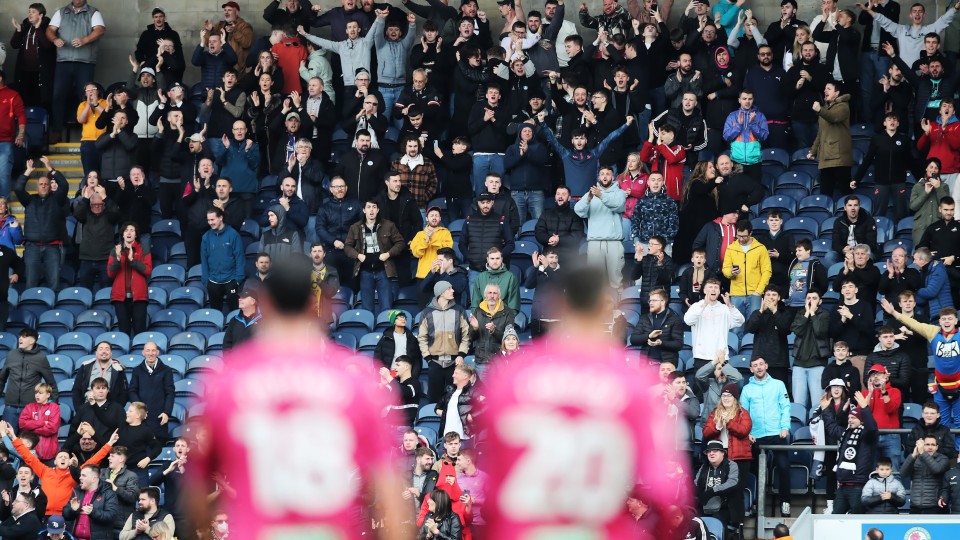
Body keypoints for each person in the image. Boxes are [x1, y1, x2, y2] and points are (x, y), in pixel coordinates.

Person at [186, 257, 407, 538]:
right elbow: (390, 492)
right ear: (319, 306)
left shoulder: (228, 381)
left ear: (264, 303)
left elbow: (195, 490)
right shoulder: (357, 382)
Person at [476, 262, 689, 538]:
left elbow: (492, 483)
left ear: (559, 305)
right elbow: (665, 494)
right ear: (606, 306)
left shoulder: (511, 376)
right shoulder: (633, 383)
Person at [881, 298, 960, 447]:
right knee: (941, 421)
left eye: (950, 318)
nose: (947, 321)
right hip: (940, 385)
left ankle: (959, 452)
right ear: (940, 322)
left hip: (959, 384)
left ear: (956, 320)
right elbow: (914, 324)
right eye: (943, 319)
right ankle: (941, 451)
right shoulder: (933, 331)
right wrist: (894, 313)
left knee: (959, 420)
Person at [8, 422, 116, 518]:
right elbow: (28, 456)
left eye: (66, 457)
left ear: (70, 461)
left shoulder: (75, 474)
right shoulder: (45, 470)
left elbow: (94, 460)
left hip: (66, 516)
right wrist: (13, 437)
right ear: (55, 461)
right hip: (44, 515)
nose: (63, 458)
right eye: (60, 457)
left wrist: (109, 443)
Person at [45, 0, 106, 145]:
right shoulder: (61, 12)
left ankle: (86, 132)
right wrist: (54, 39)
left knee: (85, 98)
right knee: (58, 96)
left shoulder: (93, 12)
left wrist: (85, 40)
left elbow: (100, 30)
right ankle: (57, 132)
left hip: (85, 62)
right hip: (63, 61)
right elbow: (49, 30)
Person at [740, 356, 793, 516]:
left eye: (761, 364)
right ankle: (755, 503)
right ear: (751, 369)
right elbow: (743, 413)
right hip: (756, 436)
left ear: (767, 365)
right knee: (754, 471)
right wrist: (747, 432)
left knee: (784, 468)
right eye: (755, 365)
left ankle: (785, 502)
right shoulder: (747, 389)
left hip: (777, 433)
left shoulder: (778, 385)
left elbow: (785, 407)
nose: (759, 367)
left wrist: (785, 427)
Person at [14, 158, 69, 290]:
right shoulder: (29, 200)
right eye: (41, 184)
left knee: (54, 284)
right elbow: (18, 188)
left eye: (46, 184)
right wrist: (27, 172)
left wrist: (51, 168)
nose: (44, 186)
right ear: (36, 187)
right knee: (31, 283)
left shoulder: (56, 200)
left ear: (50, 187)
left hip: (52, 248)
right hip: (32, 248)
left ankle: (53, 310)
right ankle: (30, 308)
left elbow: (64, 185)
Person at [820, 391, 877, 514]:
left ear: (861, 420)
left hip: (858, 486)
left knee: (857, 519)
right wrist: (825, 409)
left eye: (853, 418)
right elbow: (831, 427)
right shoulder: (846, 433)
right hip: (842, 486)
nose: (850, 420)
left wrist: (865, 408)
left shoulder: (867, 435)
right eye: (849, 418)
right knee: (836, 519)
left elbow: (872, 427)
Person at [574, 165, 628, 289]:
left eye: (608, 174)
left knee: (616, 279)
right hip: (594, 241)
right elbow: (578, 210)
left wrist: (601, 196)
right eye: (602, 174)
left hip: (614, 241)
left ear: (613, 177)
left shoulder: (619, 193)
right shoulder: (591, 193)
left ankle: (617, 306)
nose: (605, 176)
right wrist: (588, 199)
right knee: (595, 279)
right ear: (599, 177)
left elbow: (618, 205)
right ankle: (596, 308)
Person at [852, 112, 911, 221]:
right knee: (879, 212)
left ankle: (900, 237)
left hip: (899, 182)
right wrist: (856, 178)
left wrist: (922, 177)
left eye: (894, 120)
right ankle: (878, 234)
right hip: (881, 181)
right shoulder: (877, 139)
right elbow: (867, 160)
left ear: (898, 123)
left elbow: (911, 161)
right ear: (884, 123)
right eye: (889, 120)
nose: (892, 122)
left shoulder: (904, 140)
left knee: (901, 213)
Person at [419, 281, 471, 403]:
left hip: (454, 363)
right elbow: (422, 338)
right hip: (434, 362)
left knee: (454, 400)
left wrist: (461, 354)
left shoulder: (459, 310)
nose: (453, 291)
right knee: (434, 399)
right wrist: (428, 358)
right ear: (441, 293)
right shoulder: (426, 313)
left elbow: (466, 335)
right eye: (449, 289)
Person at [684, 278, 745, 376]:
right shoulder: (696, 306)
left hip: (721, 358)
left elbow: (740, 321)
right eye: (710, 287)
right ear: (704, 290)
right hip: (701, 357)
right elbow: (688, 321)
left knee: (721, 390)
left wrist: (729, 305)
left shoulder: (725, 308)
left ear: (719, 291)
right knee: (701, 390)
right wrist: (704, 305)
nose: (713, 290)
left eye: (716, 287)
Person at [0, 328, 58, 428]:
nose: (20, 339)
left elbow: (51, 383)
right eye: (20, 336)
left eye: (24, 336)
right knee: (7, 440)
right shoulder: (11, 355)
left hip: (30, 408)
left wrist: (52, 406)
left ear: (32, 341)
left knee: (27, 441)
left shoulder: (40, 358)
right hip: (10, 407)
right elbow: (2, 379)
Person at [722, 220, 772, 325]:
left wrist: (758, 291)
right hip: (736, 294)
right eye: (738, 236)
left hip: (755, 293)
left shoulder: (761, 248)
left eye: (744, 236)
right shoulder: (731, 248)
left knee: (754, 326)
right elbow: (725, 269)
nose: (740, 239)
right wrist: (731, 272)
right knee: (736, 326)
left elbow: (767, 271)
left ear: (750, 233)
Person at [808, 82, 853, 199]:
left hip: (840, 158)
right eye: (824, 89)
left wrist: (819, 110)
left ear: (837, 93)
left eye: (829, 89)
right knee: (825, 195)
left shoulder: (843, 106)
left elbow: (834, 117)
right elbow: (820, 133)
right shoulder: (824, 109)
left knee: (846, 194)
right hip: (826, 158)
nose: (825, 91)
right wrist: (813, 151)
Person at [107, 223, 152, 337]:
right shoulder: (115, 250)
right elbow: (110, 273)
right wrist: (117, 259)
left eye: (132, 230)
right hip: (120, 297)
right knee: (123, 330)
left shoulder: (143, 249)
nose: (129, 232)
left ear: (136, 235)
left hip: (139, 296)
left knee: (140, 329)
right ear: (122, 234)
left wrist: (133, 260)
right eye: (126, 230)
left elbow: (147, 270)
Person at [791, 290, 832, 410]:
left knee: (817, 404)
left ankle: (817, 428)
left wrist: (813, 314)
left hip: (817, 364)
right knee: (799, 405)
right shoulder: (800, 313)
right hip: (799, 364)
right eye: (808, 298)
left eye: (814, 298)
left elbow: (820, 332)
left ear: (820, 301)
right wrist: (807, 314)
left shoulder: (825, 314)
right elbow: (797, 330)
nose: (811, 300)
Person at [694, 440, 743, 538]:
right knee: (694, 520)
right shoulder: (704, 467)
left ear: (723, 453)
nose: (711, 453)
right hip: (704, 507)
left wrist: (712, 492)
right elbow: (696, 483)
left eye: (715, 450)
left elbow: (733, 483)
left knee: (717, 521)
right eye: (709, 451)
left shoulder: (731, 465)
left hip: (726, 507)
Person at [200, 207, 245, 313]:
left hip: (231, 280)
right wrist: (206, 280)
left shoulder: (233, 234)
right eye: (208, 220)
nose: (210, 222)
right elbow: (204, 259)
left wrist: (238, 280)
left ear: (220, 218)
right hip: (213, 281)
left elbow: (239, 257)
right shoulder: (206, 237)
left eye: (213, 219)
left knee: (235, 312)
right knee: (215, 313)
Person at [127, 343, 175, 441]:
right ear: (143, 353)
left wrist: (166, 412)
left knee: (158, 449)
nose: (150, 353)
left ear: (158, 352)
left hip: (159, 419)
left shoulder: (166, 370)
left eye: (153, 350)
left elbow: (170, 393)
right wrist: (140, 410)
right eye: (148, 351)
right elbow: (132, 391)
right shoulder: (137, 370)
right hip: (140, 418)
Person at [722, 89, 768, 183]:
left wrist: (753, 124)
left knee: (755, 190)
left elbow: (764, 136)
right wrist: (738, 125)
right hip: (736, 162)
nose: (747, 101)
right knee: (737, 191)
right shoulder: (732, 116)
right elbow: (726, 136)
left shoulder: (759, 116)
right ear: (739, 100)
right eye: (744, 98)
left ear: (753, 100)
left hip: (755, 162)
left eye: (749, 99)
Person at [63, 465, 119, 540]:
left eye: (84, 475)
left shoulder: (108, 493)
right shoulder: (77, 492)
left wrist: (93, 512)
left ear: (94, 479)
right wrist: (73, 510)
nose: (80, 478)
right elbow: (65, 514)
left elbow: (111, 516)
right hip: (75, 538)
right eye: (80, 475)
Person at [631, 288, 685, 365]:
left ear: (663, 302)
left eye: (654, 300)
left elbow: (678, 344)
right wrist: (649, 336)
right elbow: (633, 339)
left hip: (666, 366)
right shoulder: (644, 318)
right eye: (650, 301)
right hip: (647, 366)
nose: (651, 303)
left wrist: (661, 343)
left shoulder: (674, 319)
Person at [901, 435, 950, 514]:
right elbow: (903, 473)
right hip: (915, 506)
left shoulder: (943, 459)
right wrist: (913, 455)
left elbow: (936, 469)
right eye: (927, 444)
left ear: (937, 447)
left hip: (934, 506)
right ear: (922, 446)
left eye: (933, 445)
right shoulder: (915, 458)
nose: (930, 447)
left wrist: (923, 453)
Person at [534, 186, 585, 260]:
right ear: (555, 197)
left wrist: (559, 240)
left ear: (569, 198)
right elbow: (539, 232)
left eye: (563, 194)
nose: (560, 196)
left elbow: (576, 236)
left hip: (569, 257)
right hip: (549, 256)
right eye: (558, 194)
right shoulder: (546, 213)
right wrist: (549, 239)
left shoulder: (575, 215)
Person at [910, 158, 952, 246]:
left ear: (939, 171)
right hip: (921, 227)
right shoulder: (917, 186)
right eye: (931, 167)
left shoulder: (944, 186)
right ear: (926, 168)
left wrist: (938, 188)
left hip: (938, 226)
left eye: (936, 168)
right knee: (921, 254)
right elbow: (913, 206)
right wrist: (925, 193)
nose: (933, 170)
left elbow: (947, 205)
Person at [99, 446, 141, 531]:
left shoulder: (131, 476)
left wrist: (116, 489)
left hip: (120, 524)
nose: (108, 458)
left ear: (121, 459)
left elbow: (132, 497)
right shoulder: (102, 472)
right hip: (102, 520)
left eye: (112, 456)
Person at [18, 383, 61, 462]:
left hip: (50, 454)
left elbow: (52, 428)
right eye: (36, 393)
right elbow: (22, 424)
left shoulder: (54, 407)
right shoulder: (29, 407)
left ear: (48, 395)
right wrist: (42, 422)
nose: (37, 395)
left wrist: (32, 429)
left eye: (40, 393)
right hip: (31, 453)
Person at [631, 236, 675, 310]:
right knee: (644, 321)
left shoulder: (667, 260)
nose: (648, 246)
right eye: (648, 243)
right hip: (646, 301)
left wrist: (660, 265)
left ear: (659, 246)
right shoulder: (645, 259)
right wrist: (638, 261)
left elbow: (665, 279)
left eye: (651, 244)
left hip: (660, 302)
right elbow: (634, 276)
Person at [913, 247, 955, 321]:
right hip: (931, 314)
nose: (913, 262)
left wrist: (915, 289)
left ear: (923, 260)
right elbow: (922, 299)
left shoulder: (938, 269)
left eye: (915, 259)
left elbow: (931, 292)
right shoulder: (923, 272)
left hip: (943, 315)